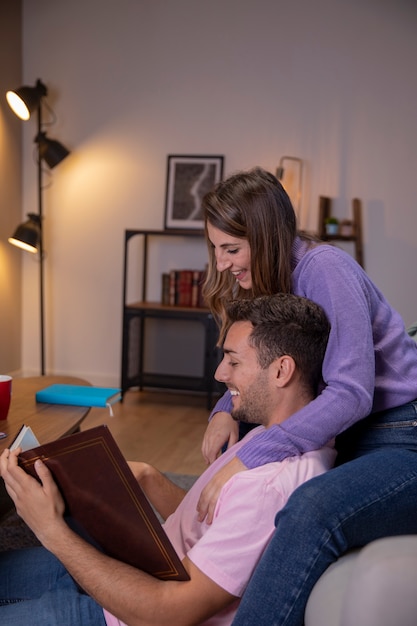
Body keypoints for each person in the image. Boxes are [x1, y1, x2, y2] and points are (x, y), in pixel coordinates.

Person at [0, 294, 335, 626]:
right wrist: (148, 477)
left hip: (125, 612)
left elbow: (167, 614)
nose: (220, 373)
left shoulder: (268, 486)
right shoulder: (275, 436)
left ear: (281, 370)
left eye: (233, 361)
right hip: (127, 571)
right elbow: (209, 521)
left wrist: (50, 530)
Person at [193, 166, 417, 624]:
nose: (221, 264)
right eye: (215, 249)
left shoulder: (325, 269)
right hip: (352, 435)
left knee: (310, 510)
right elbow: (250, 364)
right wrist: (224, 411)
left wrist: (251, 455)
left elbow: (352, 395)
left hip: (402, 435)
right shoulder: (268, 281)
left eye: (231, 249)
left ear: (266, 236)